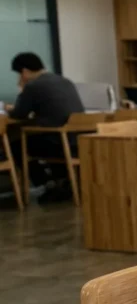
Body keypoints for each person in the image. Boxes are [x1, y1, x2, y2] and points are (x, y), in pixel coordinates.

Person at [6, 52, 84, 201]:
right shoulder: (64, 81)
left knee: (16, 144)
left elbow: (18, 114)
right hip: (75, 141)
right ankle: (61, 181)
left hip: (57, 143)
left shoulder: (33, 86)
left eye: (19, 74)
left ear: (24, 72)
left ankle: (46, 183)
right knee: (41, 137)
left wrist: (21, 92)